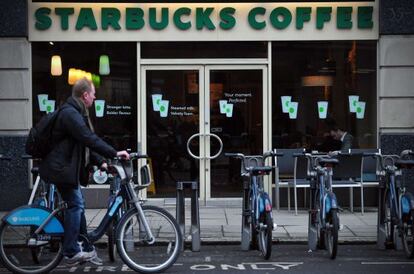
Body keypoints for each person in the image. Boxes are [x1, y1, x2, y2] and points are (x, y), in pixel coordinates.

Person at [39, 78, 129, 265]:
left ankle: (86, 246)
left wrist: (102, 161)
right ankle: (71, 250)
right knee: (76, 205)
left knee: (78, 205)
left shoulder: (77, 112)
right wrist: (114, 153)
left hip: (65, 168)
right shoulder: (71, 114)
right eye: (94, 94)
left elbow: (83, 143)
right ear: (85, 95)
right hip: (61, 169)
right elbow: (88, 138)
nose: (95, 97)